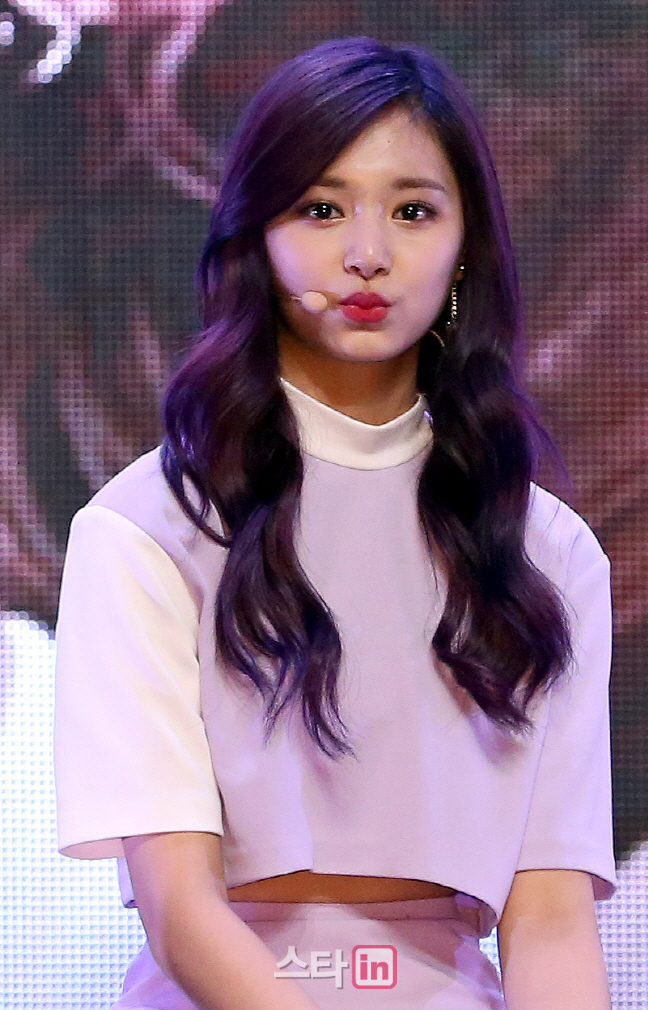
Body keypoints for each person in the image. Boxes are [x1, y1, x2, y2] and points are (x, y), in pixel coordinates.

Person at [53, 35, 617, 1010]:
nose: (367, 253)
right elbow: (182, 913)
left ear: (465, 245)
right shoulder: (144, 527)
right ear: (257, 235)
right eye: (321, 208)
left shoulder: (547, 551)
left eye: (411, 211)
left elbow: (553, 921)